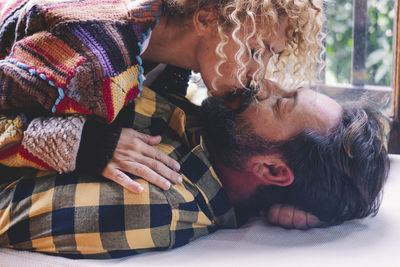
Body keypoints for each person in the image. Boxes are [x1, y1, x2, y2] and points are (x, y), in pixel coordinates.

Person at [0, 80, 389, 258]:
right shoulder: (207, 131)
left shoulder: (152, 205)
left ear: (270, 170)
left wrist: (75, 144)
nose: (265, 84)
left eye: (281, 103)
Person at [0, 0, 325, 192]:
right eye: (256, 51)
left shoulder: (167, 64)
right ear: (206, 18)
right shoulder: (97, 51)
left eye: (271, 55)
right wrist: (89, 144)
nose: (259, 74)